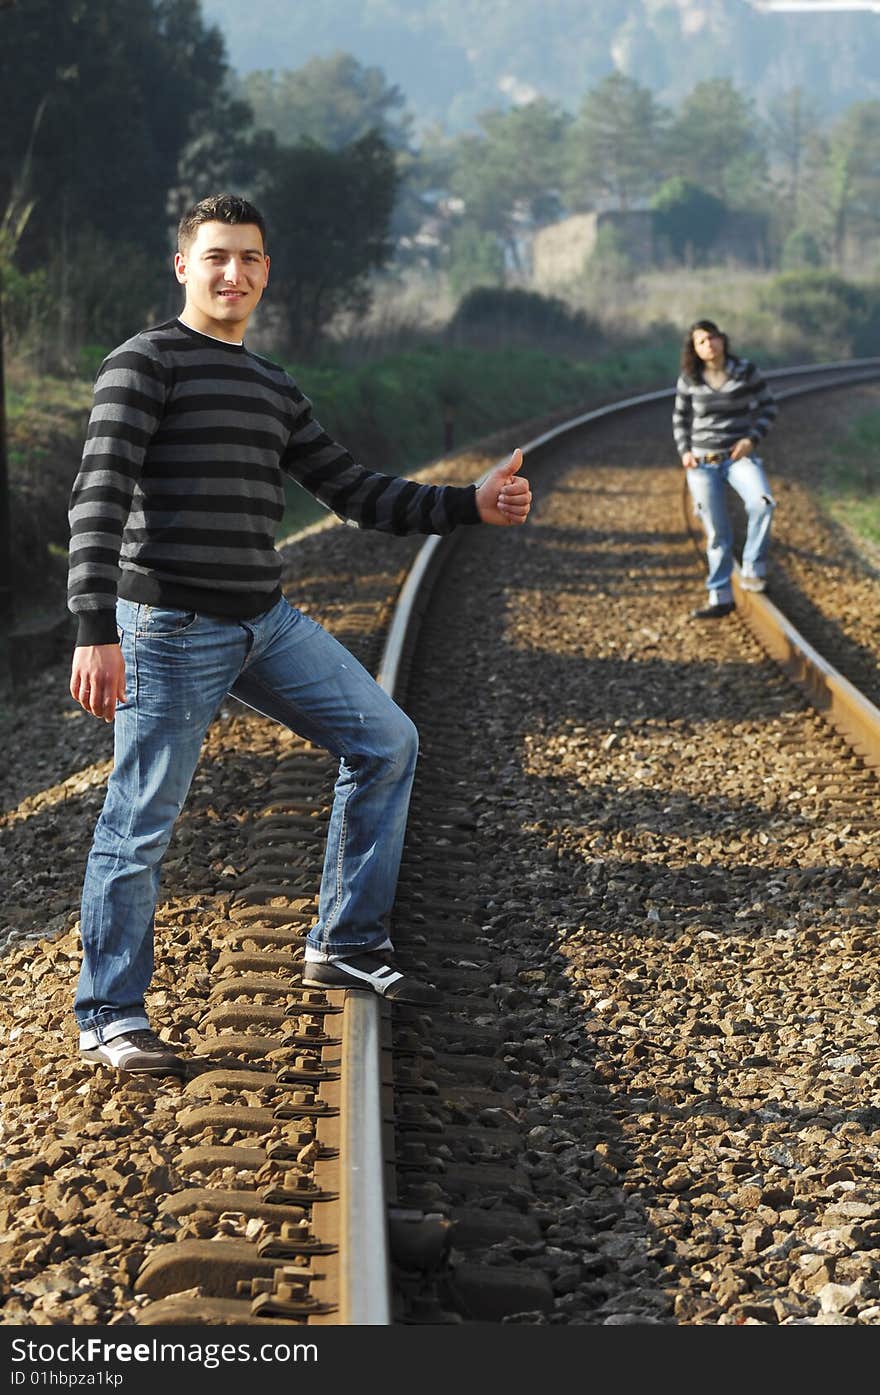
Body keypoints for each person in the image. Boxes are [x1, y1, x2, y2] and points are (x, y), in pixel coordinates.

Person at [67, 192, 531, 1076]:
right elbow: (97, 498)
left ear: (266, 272)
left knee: (387, 739)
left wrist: (468, 504)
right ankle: (110, 1011)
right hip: (167, 624)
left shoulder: (272, 384)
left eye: (247, 259)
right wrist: (96, 626)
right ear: (183, 267)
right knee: (142, 820)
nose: (232, 274)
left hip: (261, 622)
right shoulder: (144, 363)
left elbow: (354, 490)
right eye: (215, 258)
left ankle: (345, 940)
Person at [673, 319, 778, 620]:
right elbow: (680, 418)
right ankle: (720, 596)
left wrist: (751, 438)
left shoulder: (745, 370)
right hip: (702, 464)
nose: (709, 345)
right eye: (701, 341)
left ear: (722, 339)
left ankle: (752, 570)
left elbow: (768, 407)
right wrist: (685, 452)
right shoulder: (690, 378)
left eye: (712, 338)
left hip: (738, 457)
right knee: (717, 533)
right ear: (694, 349)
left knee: (763, 502)